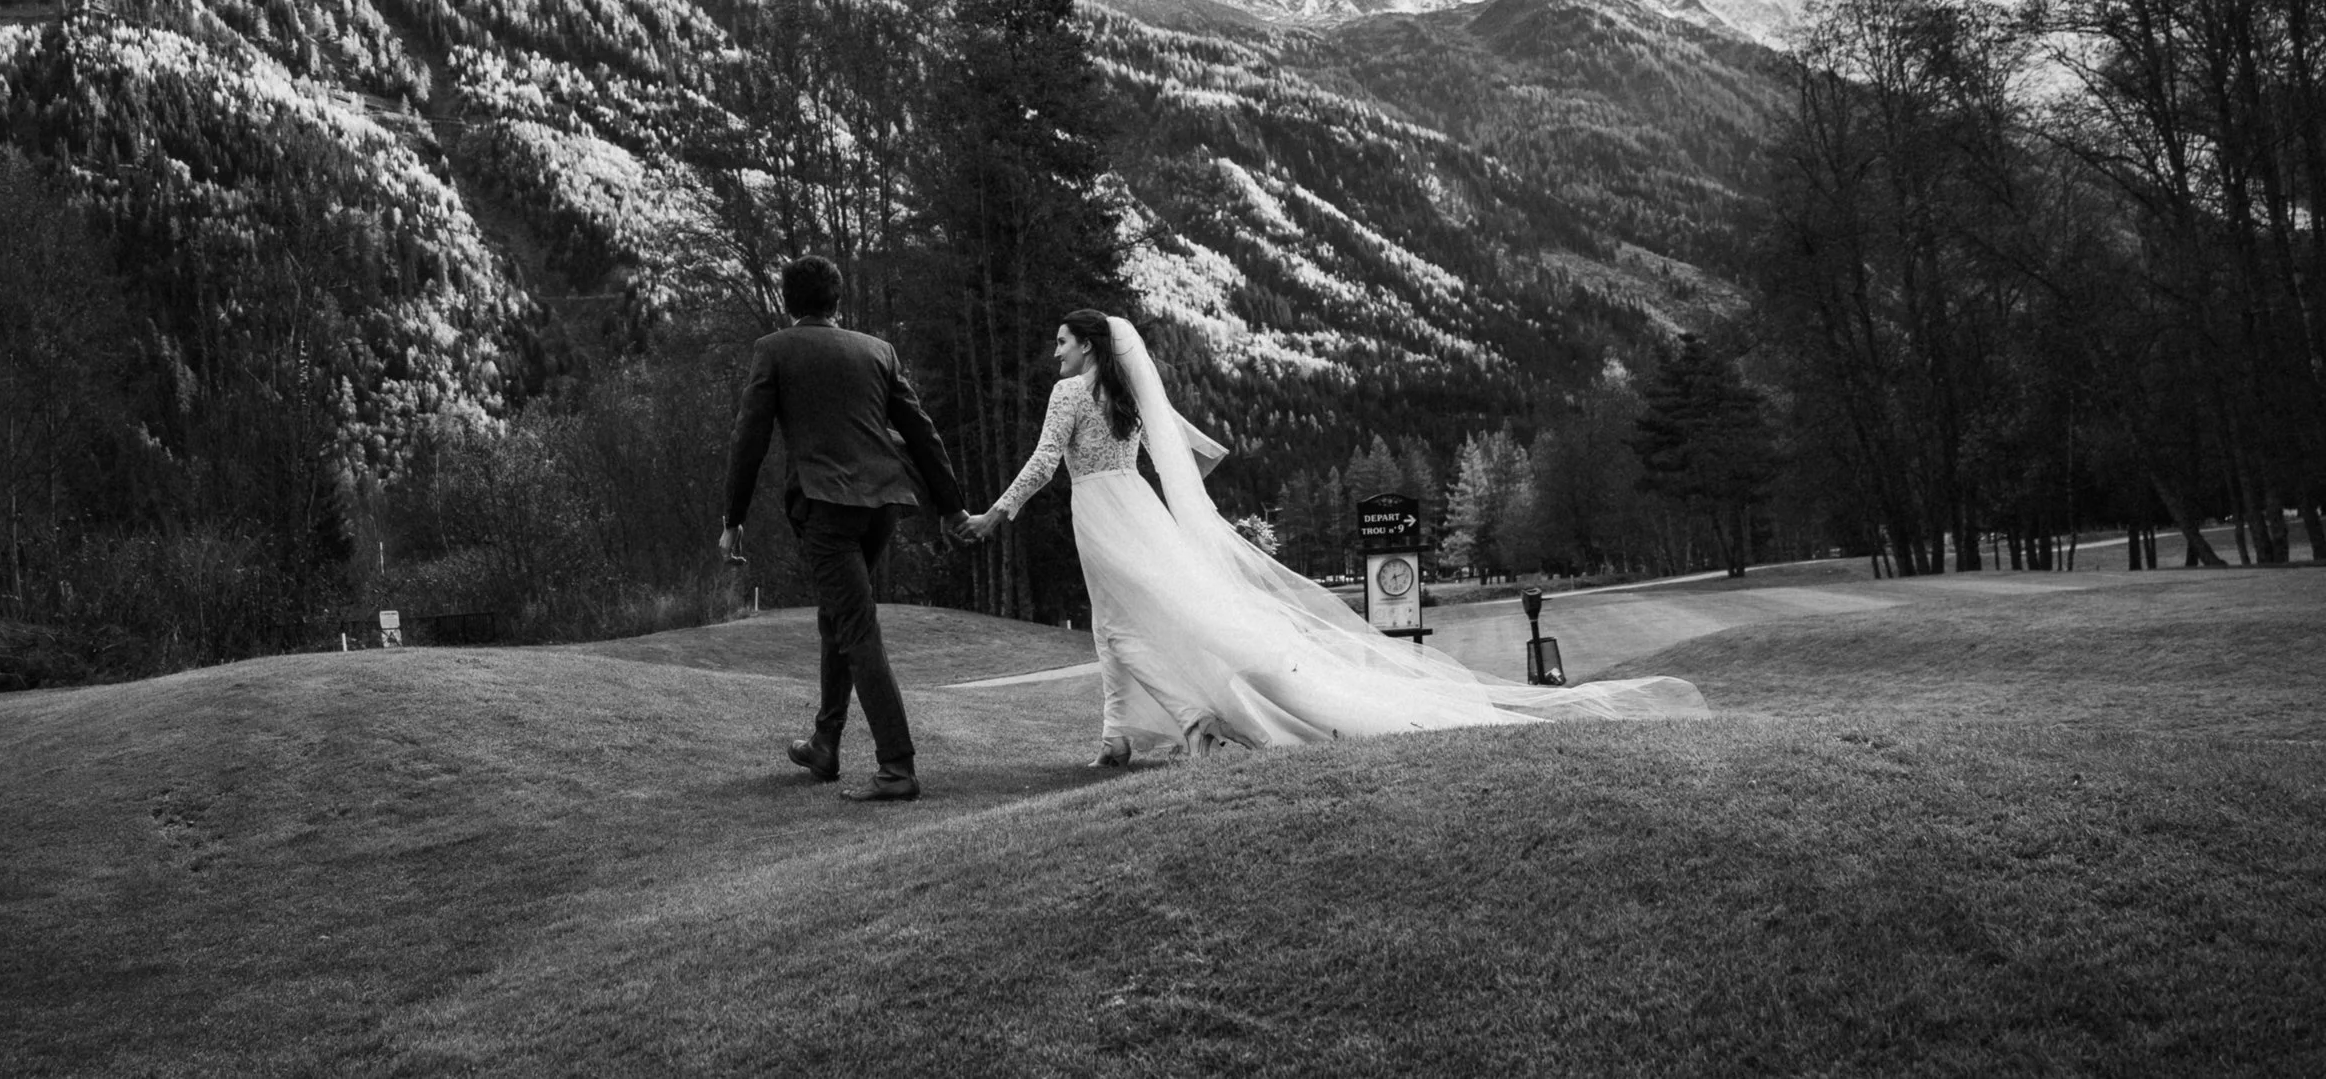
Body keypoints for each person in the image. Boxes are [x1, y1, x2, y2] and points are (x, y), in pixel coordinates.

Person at [963, 311, 1706, 765]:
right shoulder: (1122, 392)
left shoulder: (1069, 393)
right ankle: (1116, 737)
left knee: (1120, 632)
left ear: (1087, 347)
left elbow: (1040, 462)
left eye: (1061, 341)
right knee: (1117, 626)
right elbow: (1179, 440)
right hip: (1140, 509)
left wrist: (996, 513)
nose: (1053, 351)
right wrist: (1207, 460)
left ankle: (1188, 723)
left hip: (1100, 514)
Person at [721, 256, 967, 802]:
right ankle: (825, 743)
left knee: (855, 628)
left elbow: (749, 439)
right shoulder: (877, 351)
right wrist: (951, 507)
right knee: (837, 619)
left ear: (790, 302)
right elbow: (921, 433)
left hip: (826, 509)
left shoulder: (774, 350)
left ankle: (897, 767)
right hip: (882, 504)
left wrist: (733, 520)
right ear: (836, 302)